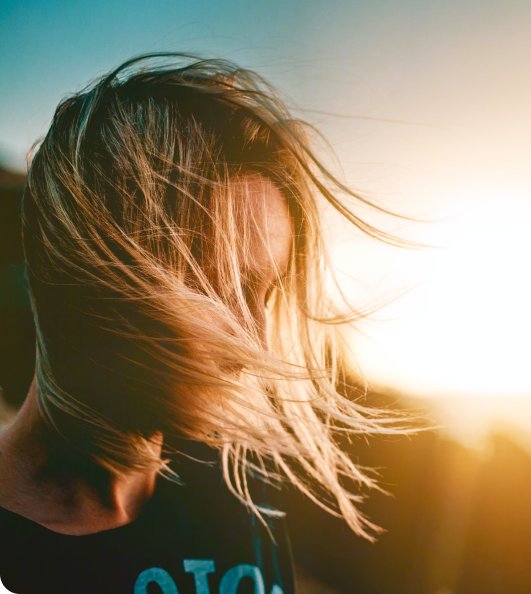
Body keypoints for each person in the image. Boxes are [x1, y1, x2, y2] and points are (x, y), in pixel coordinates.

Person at [0, 54, 407, 594]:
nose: (258, 343)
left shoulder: (242, 487)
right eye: (223, 288)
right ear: (97, 279)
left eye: (266, 293)